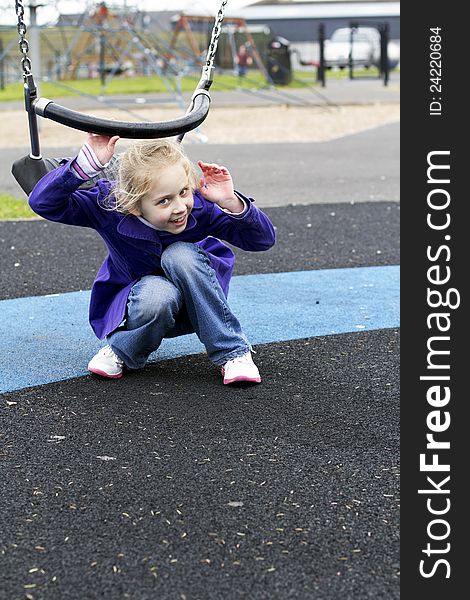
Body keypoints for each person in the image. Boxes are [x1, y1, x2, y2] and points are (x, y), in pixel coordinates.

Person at [28, 134, 276, 385]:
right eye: (164, 201)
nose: (179, 207)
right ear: (134, 206)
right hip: (146, 309)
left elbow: (262, 240)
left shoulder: (200, 207)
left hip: (200, 306)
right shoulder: (111, 208)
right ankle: (125, 348)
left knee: (179, 254)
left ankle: (234, 352)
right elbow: (43, 204)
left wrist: (230, 201)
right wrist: (84, 166)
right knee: (158, 292)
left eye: (183, 192)